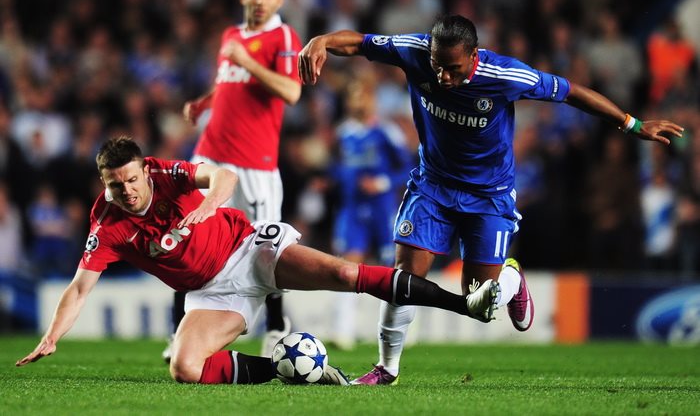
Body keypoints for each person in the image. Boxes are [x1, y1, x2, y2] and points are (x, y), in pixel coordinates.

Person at [298, 14, 685, 385]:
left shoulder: (505, 75)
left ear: (473, 55)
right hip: (432, 186)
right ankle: (387, 368)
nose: (443, 77)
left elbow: (571, 92)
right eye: (437, 66)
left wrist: (631, 123)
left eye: (453, 69)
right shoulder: (413, 50)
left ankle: (512, 280)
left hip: (488, 196)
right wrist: (322, 41)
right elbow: (359, 42)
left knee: (477, 301)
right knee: (405, 275)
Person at [15, 136, 500, 385]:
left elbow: (224, 176)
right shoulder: (106, 224)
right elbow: (80, 287)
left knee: (344, 273)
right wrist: (52, 337)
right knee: (185, 367)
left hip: (250, 251)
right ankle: (298, 371)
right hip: (211, 293)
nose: (126, 190)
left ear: (143, 171)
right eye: (114, 184)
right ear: (104, 184)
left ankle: (465, 304)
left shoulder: (165, 174)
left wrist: (208, 205)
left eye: (131, 179)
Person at [176, 0, 302, 359]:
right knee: (191, 235)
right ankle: (180, 329)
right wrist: (205, 102)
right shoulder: (231, 35)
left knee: (266, 248)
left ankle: (277, 325)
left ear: (279, 1)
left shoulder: (283, 37)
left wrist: (248, 61)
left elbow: (291, 91)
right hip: (211, 154)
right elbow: (229, 82)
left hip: (254, 163)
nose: (260, 1)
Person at [327, 75, 413, 349]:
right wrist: (330, 178)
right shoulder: (343, 133)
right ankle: (344, 332)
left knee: (391, 267)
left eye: (361, 95)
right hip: (352, 209)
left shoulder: (387, 132)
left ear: (371, 99)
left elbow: (408, 168)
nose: (356, 102)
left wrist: (383, 182)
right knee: (348, 267)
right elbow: (337, 167)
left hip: (382, 208)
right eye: (352, 96)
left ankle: (399, 328)